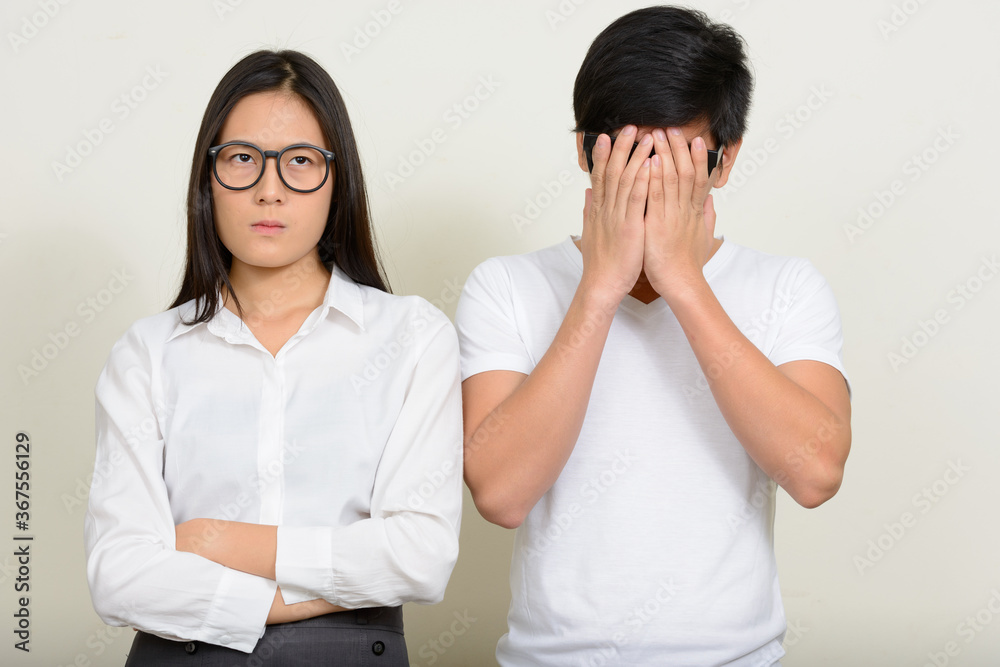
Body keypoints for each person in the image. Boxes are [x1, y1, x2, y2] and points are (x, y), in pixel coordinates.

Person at [456, 6, 851, 665]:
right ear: (585, 150)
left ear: (724, 162)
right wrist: (600, 287)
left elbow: (816, 473)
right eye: (631, 154)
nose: (650, 181)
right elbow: (500, 492)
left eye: (677, 158)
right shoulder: (505, 287)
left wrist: (683, 283)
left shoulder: (788, 287)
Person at [84, 49, 462, 666]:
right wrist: (318, 586)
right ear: (208, 177)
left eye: (301, 162)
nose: (269, 189)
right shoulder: (147, 353)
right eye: (241, 159)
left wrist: (215, 540)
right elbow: (118, 574)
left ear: (338, 179)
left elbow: (420, 556)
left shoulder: (413, 337)